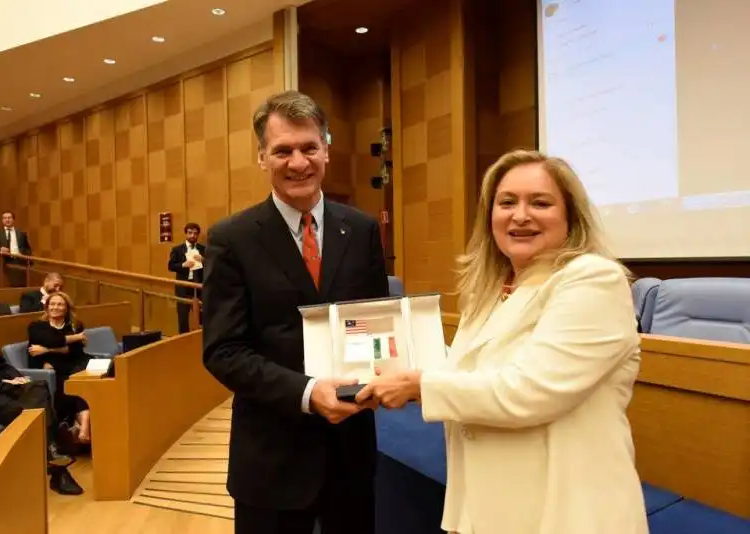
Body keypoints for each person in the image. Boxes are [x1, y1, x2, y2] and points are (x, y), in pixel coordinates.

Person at [357, 149, 649, 534]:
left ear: (570, 216)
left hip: (565, 513)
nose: (520, 215)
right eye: (506, 202)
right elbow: (465, 371)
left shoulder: (593, 280)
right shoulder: (491, 290)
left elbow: (530, 390)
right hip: (487, 508)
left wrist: (417, 385)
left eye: (540, 203)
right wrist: (394, 361)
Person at [202, 90, 389, 534]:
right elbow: (223, 351)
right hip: (272, 462)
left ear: (326, 147)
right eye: (283, 150)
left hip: (351, 454)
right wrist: (307, 393)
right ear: (262, 157)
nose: (298, 162)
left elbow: (374, 323)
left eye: (309, 147)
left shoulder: (361, 230)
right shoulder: (232, 239)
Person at [0, 300, 83, 495]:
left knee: (39, 387)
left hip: (5, 386)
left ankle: (53, 456)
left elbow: (0, 363)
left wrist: (15, 377)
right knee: (38, 409)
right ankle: (57, 464)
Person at [27, 291, 92, 444]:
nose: (55, 307)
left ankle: (82, 425)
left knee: (85, 380)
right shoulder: (36, 326)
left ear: (67, 308)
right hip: (51, 370)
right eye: (52, 304)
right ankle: (84, 426)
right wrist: (75, 338)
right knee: (72, 384)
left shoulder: (75, 325)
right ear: (47, 307)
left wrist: (47, 349)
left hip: (74, 364)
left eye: (60, 304)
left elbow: (74, 351)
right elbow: (51, 338)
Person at [167, 222, 206, 334]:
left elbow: (212, 265)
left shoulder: (203, 249)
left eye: (195, 233)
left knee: (202, 318)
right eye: (190, 233)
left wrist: (203, 260)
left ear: (198, 235)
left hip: (199, 287)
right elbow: (170, 266)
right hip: (183, 288)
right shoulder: (178, 249)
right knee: (183, 319)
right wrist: (183, 265)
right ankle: (182, 343)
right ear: (186, 234)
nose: (192, 235)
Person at [0, 211, 32, 287]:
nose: (7, 220)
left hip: (19, 261)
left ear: (13, 220)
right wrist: (0, 248)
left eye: (9, 218)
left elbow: (28, 249)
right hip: (4, 262)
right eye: (4, 218)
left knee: (21, 284)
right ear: (2, 220)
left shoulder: (21, 233)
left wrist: (23, 255)